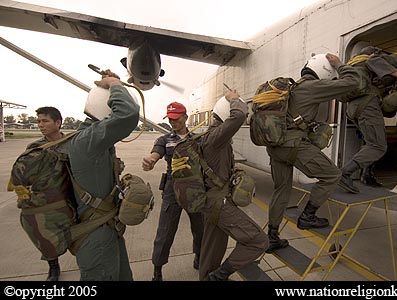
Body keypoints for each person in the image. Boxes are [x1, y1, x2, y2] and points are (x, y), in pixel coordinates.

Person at [265, 53, 364, 253]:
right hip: (294, 146)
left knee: (281, 190)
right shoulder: (313, 86)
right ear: (325, 72)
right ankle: (308, 216)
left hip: (276, 147)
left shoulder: (294, 87)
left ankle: (272, 237)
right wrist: (339, 65)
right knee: (332, 175)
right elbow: (354, 82)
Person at [68, 70, 139, 280]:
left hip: (107, 230)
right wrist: (116, 84)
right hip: (96, 237)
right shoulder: (87, 141)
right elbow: (127, 115)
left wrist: (113, 86)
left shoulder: (91, 138)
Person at [199, 90, 269, 281]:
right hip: (218, 203)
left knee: (213, 249)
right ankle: (219, 276)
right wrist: (234, 99)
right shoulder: (216, 137)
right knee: (258, 241)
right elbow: (238, 116)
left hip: (213, 201)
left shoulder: (215, 138)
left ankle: (207, 277)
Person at [338, 46, 397, 192]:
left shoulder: (353, 65)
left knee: (370, 143)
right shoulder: (371, 59)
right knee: (377, 146)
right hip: (367, 106)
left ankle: (366, 175)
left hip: (353, 109)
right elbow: (377, 61)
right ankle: (344, 174)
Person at [142, 102, 204, 281]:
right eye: (170, 119)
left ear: (185, 118)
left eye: (176, 119)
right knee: (166, 230)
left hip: (194, 189)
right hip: (172, 188)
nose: (173, 122)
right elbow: (156, 153)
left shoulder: (197, 138)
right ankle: (157, 269)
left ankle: (199, 257)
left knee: (200, 227)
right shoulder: (164, 139)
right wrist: (151, 160)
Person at [26, 106, 65, 281]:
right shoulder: (35, 147)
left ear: (58, 123)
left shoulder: (73, 143)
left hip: (70, 195)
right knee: (43, 235)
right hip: (47, 199)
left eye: (45, 121)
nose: (40, 125)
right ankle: (53, 266)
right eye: (38, 121)